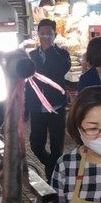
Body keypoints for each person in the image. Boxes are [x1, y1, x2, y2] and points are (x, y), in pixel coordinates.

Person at [25, 19, 71, 179]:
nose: (45, 36)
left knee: (57, 146)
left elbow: (61, 70)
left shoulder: (63, 54)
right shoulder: (31, 56)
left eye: (48, 33)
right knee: (36, 144)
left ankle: (54, 180)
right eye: (42, 33)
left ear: (55, 35)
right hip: (37, 107)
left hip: (56, 106)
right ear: (37, 34)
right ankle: (52, 166)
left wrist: (49, 50)